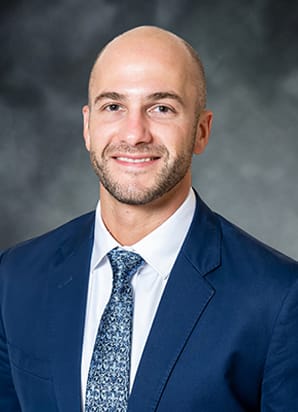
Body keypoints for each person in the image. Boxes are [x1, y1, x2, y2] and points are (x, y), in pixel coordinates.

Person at [0, 25, 298, 412]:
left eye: (162, 108)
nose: (135, 133)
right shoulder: (15, 276)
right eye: (114, 106)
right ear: (88, 126)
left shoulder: (279, 299)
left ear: (201, 131)